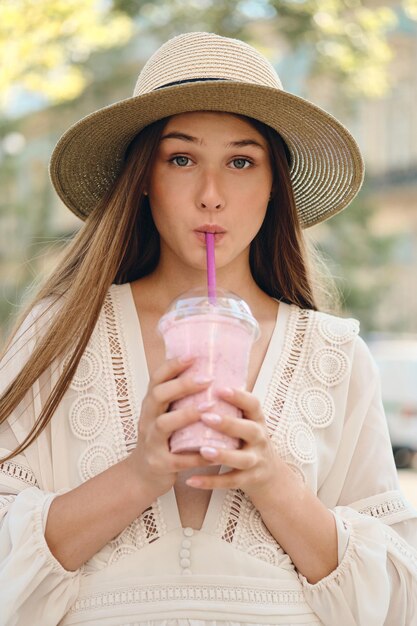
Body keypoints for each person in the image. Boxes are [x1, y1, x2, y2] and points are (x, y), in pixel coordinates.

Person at [0, 31, 416, 626]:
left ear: (275, 186)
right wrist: (140, 473)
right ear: (144, 177)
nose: (212, 195)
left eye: (242, 162)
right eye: (182, 158)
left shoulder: (337, 355)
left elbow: (395, 603)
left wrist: (273, 481)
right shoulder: (58, 338)